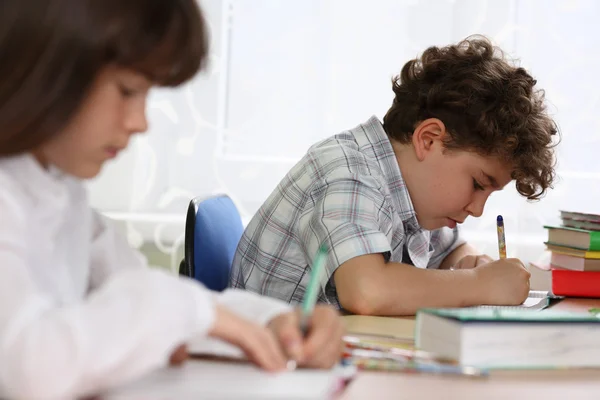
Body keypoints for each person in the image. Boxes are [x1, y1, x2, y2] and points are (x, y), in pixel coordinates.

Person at [0, 1, 344, 399]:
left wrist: (275, 321)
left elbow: (145, 293)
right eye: (127, 90)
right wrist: (183, 312)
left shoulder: (60, 190)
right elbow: (30, 368)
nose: (140, 122)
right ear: (44, 70)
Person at [230, 36, 557, 316]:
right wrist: (479, 285)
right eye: (477, 184)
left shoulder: (415, 191)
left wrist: (469, 261)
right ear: (428, 139)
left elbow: (449, 251)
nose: (477, 209)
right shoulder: (349, 173)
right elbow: (366, 290)